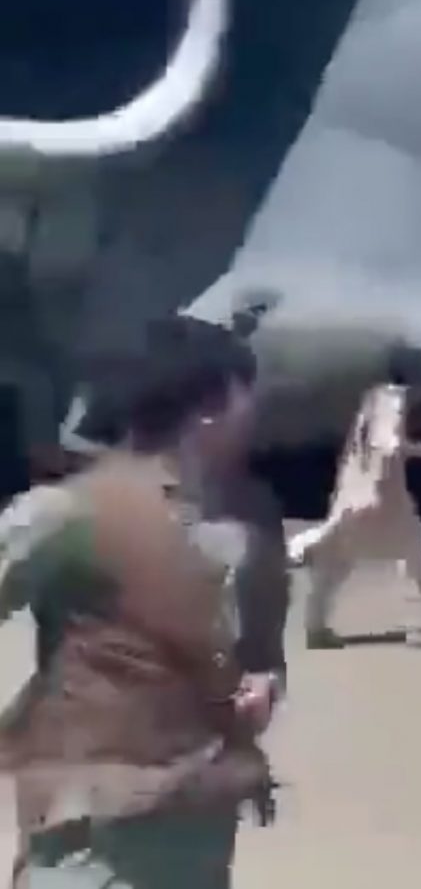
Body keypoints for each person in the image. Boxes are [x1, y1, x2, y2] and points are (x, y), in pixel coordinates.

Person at [1, 318, 283, 888]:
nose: (255, 410)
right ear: (211, 404)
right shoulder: (68, 513)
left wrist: (263, 685)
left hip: (198, 826)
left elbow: (258, 658)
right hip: (92, 836)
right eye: (245, 392)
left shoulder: (245, 526)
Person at [289, 346, 421, 649]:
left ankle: (315, 627)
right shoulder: (396, 400)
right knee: (414, 552)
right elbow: (389, 444)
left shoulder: (373, 398)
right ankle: (418, 627)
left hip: (353, 487)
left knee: (338, 560)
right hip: (382, 493)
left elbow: (363, 443)